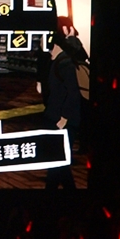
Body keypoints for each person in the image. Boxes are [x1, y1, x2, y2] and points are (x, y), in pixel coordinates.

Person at [44, 32, 85, 189]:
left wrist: (64, 118)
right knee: (58, 160)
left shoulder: (65, 63)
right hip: (59, 118)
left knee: (58, 159)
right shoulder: (60, 62)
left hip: (62, 120)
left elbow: (73, 93)